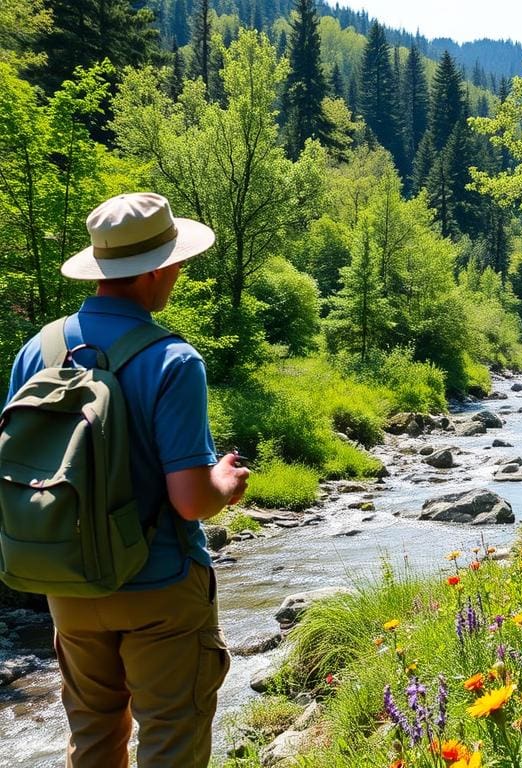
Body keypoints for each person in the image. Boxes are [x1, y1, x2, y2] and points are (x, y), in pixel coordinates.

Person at [5, 193, 249, 767]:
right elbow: (190, 502)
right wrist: (226, 482)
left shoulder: (35, 351)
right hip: (160, 583)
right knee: (170, 736)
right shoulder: (174, 360)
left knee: (91, 736)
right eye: (176, 262)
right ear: (159, 270)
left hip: (66, 582)